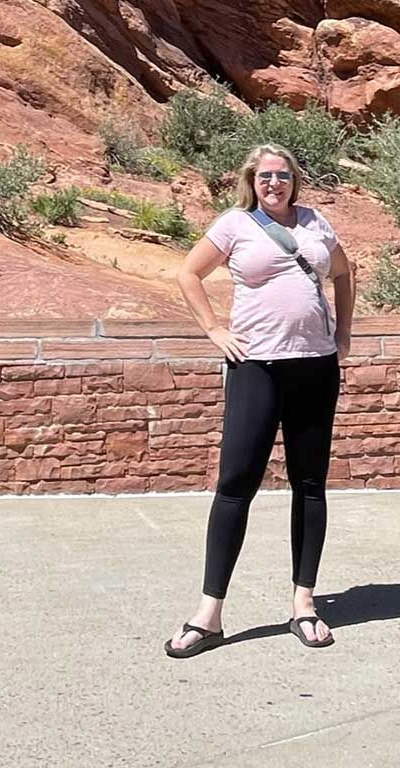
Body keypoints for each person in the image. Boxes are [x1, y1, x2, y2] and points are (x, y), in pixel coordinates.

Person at [165, 141, 355, 658]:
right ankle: (209, 616)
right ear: (253, 180)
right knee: (235, 483)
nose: (275, 183)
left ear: (295, 179)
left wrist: (343, 335)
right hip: (256, 367)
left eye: (284, 175)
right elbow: (188, 273)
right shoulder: (234, 224)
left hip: (314, 368)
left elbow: (342, 273)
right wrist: (214, 329)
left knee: (309, 482)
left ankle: (305, 604)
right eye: (266, 175)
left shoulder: (315, 223)